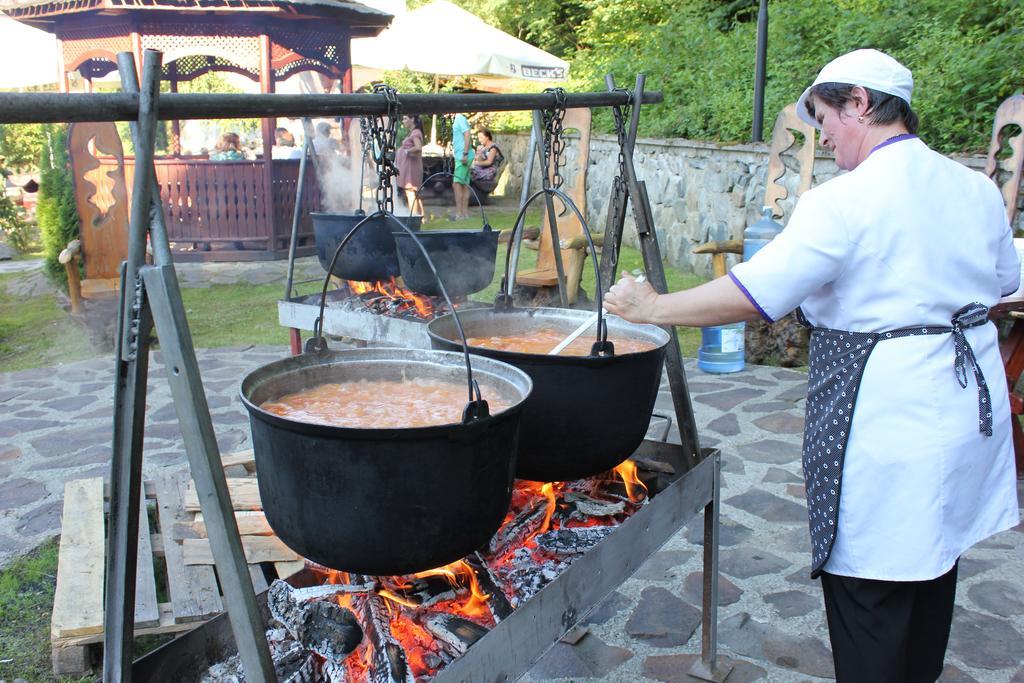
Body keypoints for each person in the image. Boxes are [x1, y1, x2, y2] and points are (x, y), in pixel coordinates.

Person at [604, 48, 1020, 682]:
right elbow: (999, 287)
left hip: (888, 415)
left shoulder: (845, 200)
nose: (823, 135)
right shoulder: (975, 189)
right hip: (963, 405)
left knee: (871, 586)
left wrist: (655, 305)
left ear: (859, 102)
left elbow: (755, 293)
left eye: (826, 116)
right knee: (934, 564)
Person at [396, 115, 424, 216]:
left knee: (410, 192)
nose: (403, 121)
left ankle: (413, 216)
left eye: (405, 118)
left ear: (412, 119)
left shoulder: (416, 133)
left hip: (411, 168)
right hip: (408, 167)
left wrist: (407, 151)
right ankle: (421, 217)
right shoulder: (413, 133)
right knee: (414, 194)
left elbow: (418, 148)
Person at [450, 112, 474, 220]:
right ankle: (465, 214)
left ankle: (459, 214)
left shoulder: (459, 118)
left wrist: (464, 153)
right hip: (462, 156)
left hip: (462, 157)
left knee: (457, 184)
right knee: (464, 185)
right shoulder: (458, 119)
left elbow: (467, 134)